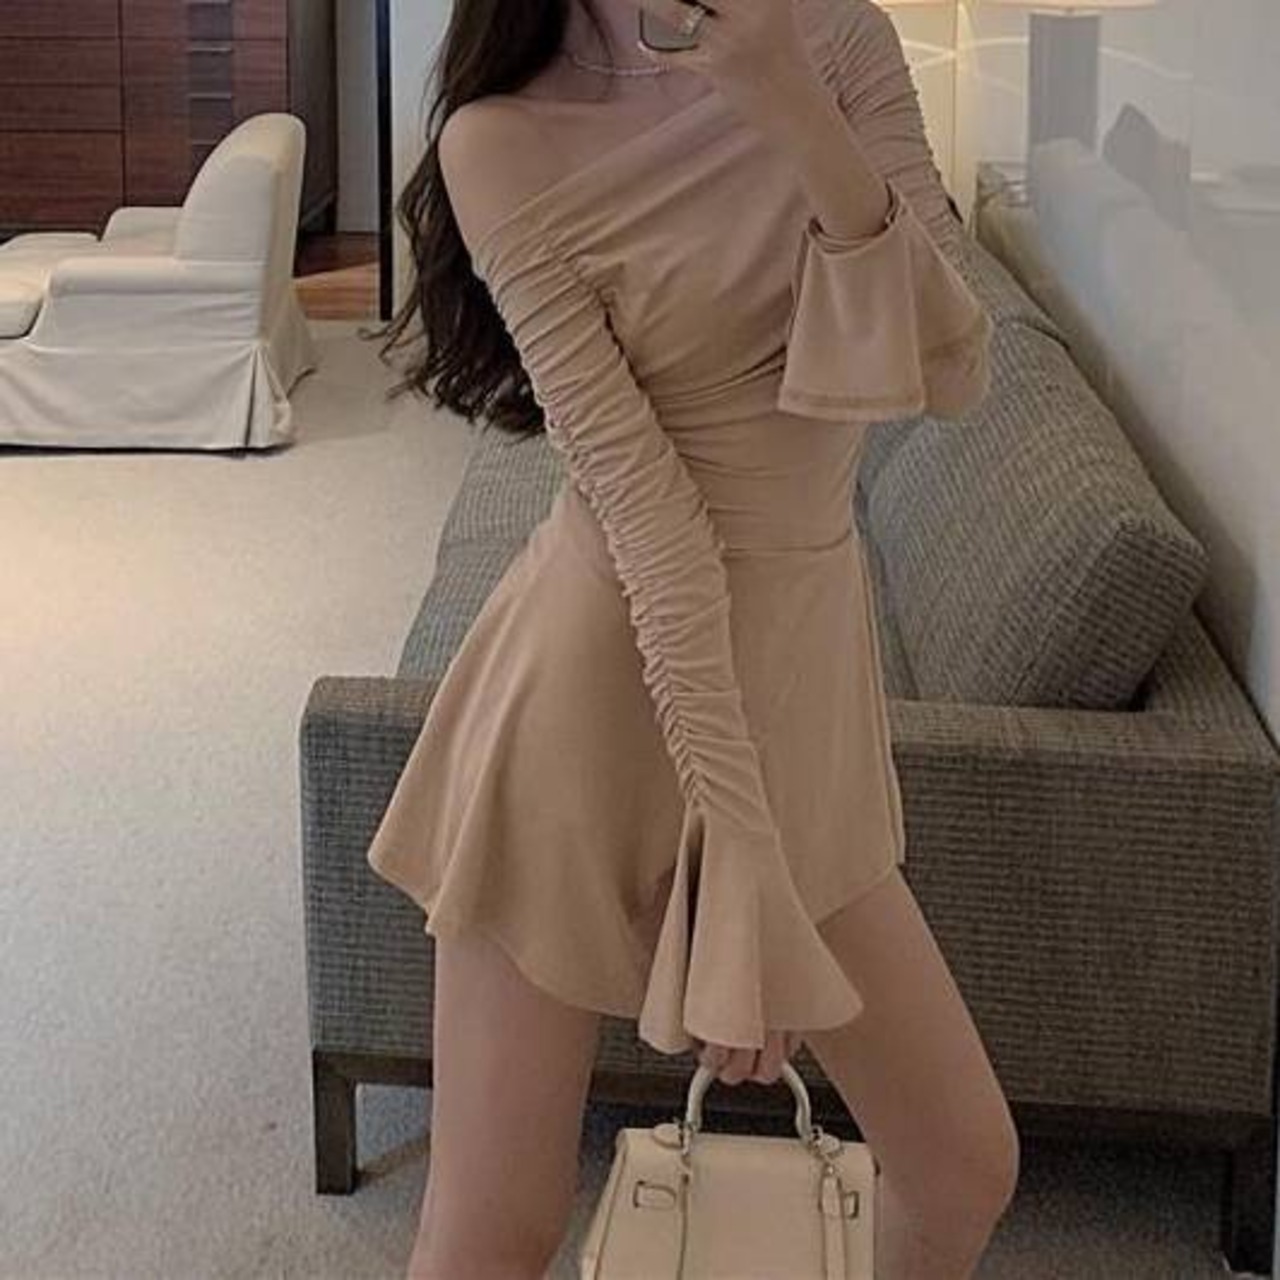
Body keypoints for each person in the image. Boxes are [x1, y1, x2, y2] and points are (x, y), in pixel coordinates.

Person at [371, 0, 1020, 1275]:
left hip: (798, 685)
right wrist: (740, 856)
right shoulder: (498, 140)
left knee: (959, 1165)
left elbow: (951, 372)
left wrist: (788, 101)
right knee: (494, 1221)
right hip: (593, 685)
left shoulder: (841, 41)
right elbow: (650, 524)